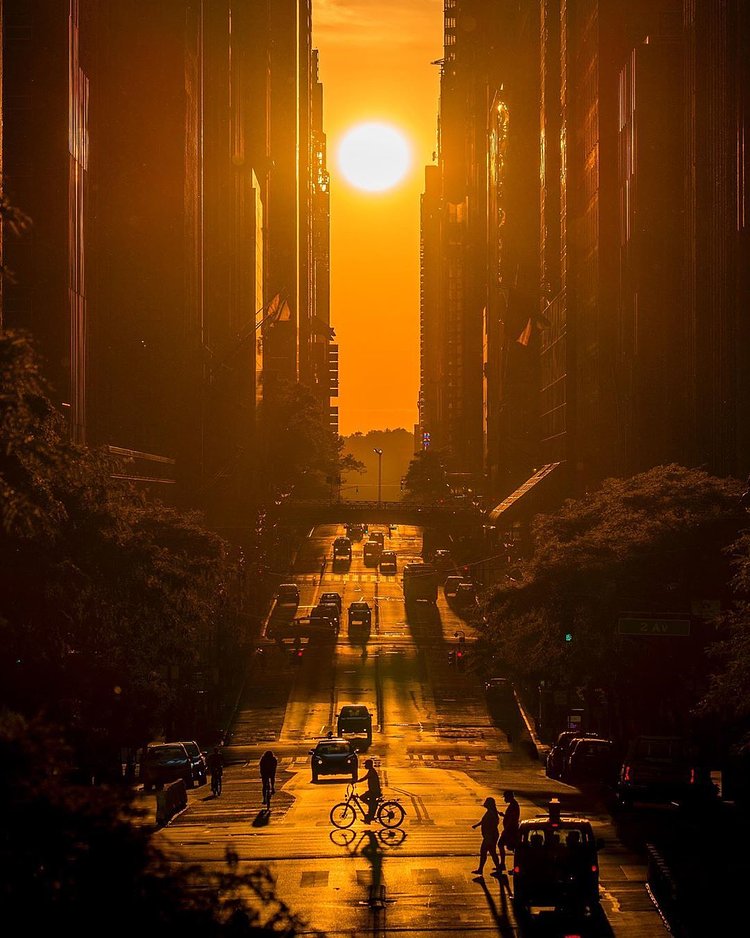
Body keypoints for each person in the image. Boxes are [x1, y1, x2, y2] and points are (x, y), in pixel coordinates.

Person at [471, 797, 502, 877]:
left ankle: (481, 869)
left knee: (485, 851)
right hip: (490, 835)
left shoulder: (491, 813)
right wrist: (477, 825)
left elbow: (493, 823)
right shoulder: (491, 812)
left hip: (490, 836)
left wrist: (489, 834)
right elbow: (484, 821)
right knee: (491, 852)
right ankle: (497, 869)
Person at [497, 789, 520, 870]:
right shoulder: (513, 805)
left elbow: (512, 819)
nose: (504, 799)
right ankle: (514, 865)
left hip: (510, 830)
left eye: (505, 797)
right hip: (510, 829)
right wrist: (504, 815)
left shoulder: (513, 805)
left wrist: (506, 830)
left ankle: (503, 864)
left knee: (501, 844)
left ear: (509, 797)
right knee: (513, 848)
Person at [358, 758, 382, 822]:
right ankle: (369, 816)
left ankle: (371, 807)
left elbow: (364, 778)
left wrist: (356, 781)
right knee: (370, 802)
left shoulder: (371, 772)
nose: (365, 766)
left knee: (362, 797)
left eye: (366, 764)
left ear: (369, 765)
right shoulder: (371, 771)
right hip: (372, 791)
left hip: (374, 792)